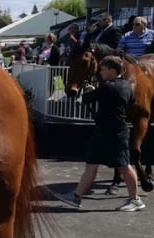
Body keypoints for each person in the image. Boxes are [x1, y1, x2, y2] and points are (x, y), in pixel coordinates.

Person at [54, 55, 144, 212]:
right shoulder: (126, 86)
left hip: (113, 133)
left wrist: (90, 91)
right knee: (92, 164)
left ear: (111, 70)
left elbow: (86, 99)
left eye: (103, 69)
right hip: (107, 131)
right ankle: (76, 197)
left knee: (124, 166)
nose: (100, 72)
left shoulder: (107, 87)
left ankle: (135, 199)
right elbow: (125, 101)